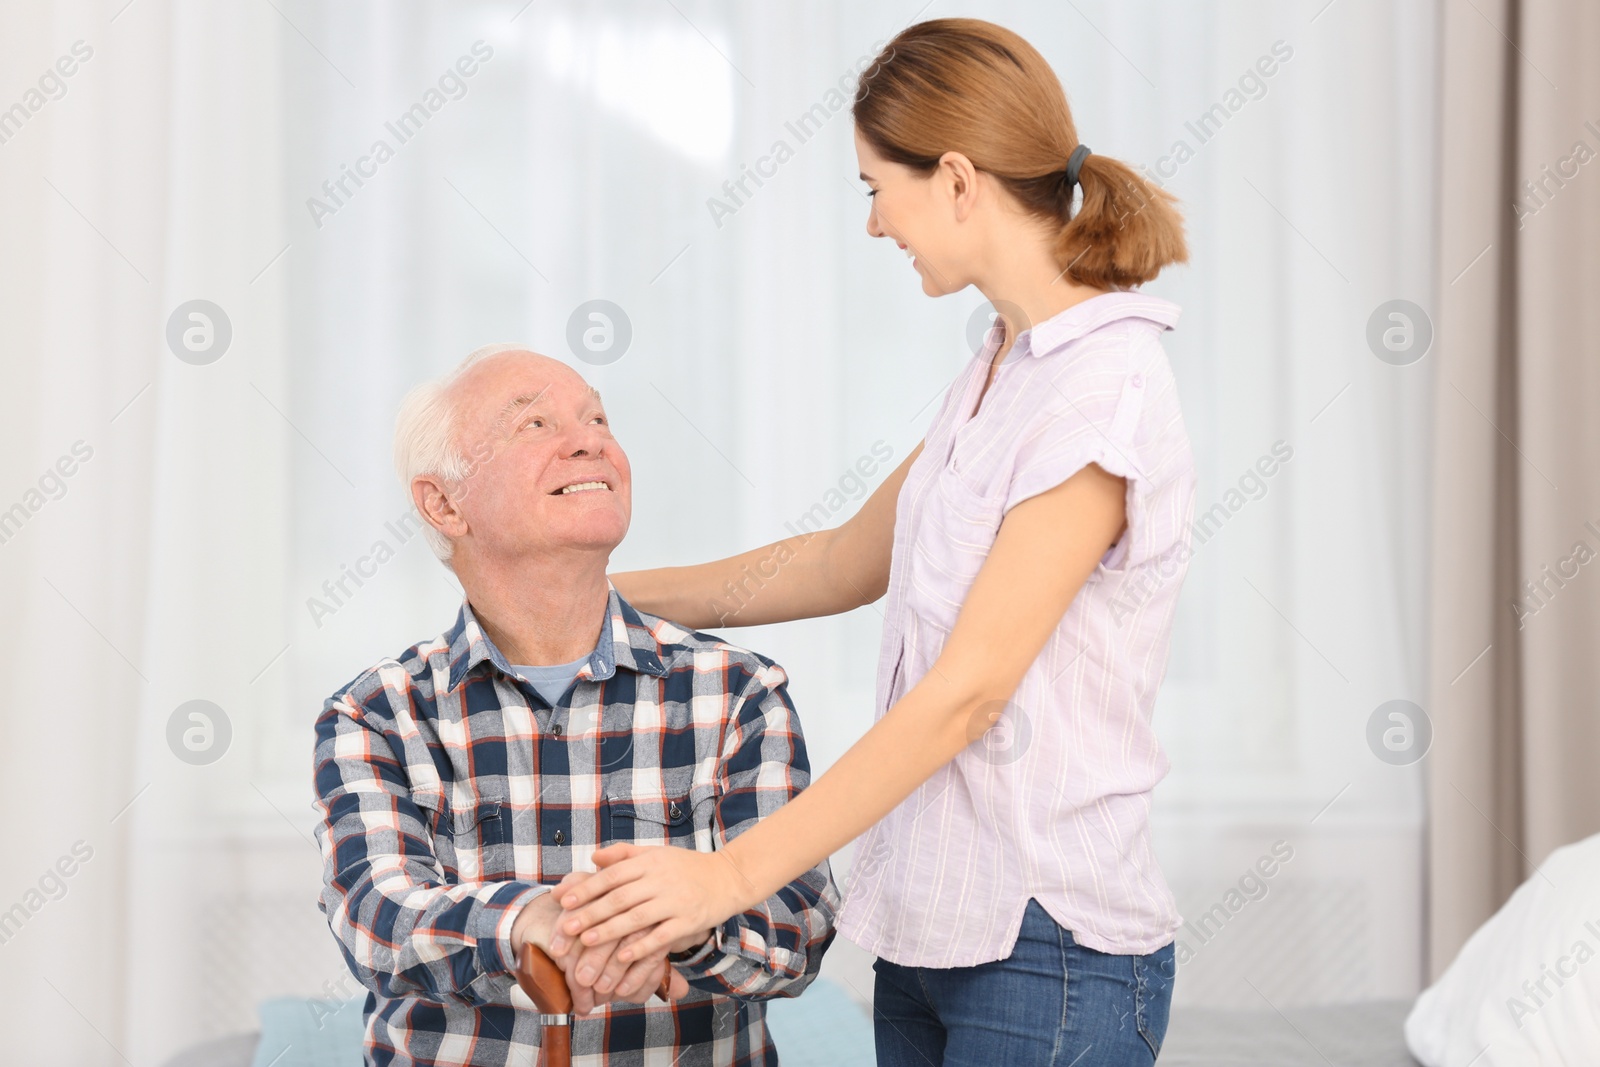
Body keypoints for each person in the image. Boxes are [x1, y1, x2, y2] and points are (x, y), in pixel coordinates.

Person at [549, 17, 1194, 1066]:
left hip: (1049, 949)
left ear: (951, 177)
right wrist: (590, 597)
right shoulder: (1001, 372)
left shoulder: (1101, 390)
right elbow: (845, 559)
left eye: (871, 187)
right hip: (936, 928)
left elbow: (969, 691)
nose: (873, 224)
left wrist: (725, 876)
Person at [311, 345, 840, 1066]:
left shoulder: (739, 692)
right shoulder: (375, 714)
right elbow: (376, 919)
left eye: (597, 416)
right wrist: (532, 919)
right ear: (443, 503)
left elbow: (799, 931)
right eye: (533, 424)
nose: (590, 437)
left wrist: (679, 926)